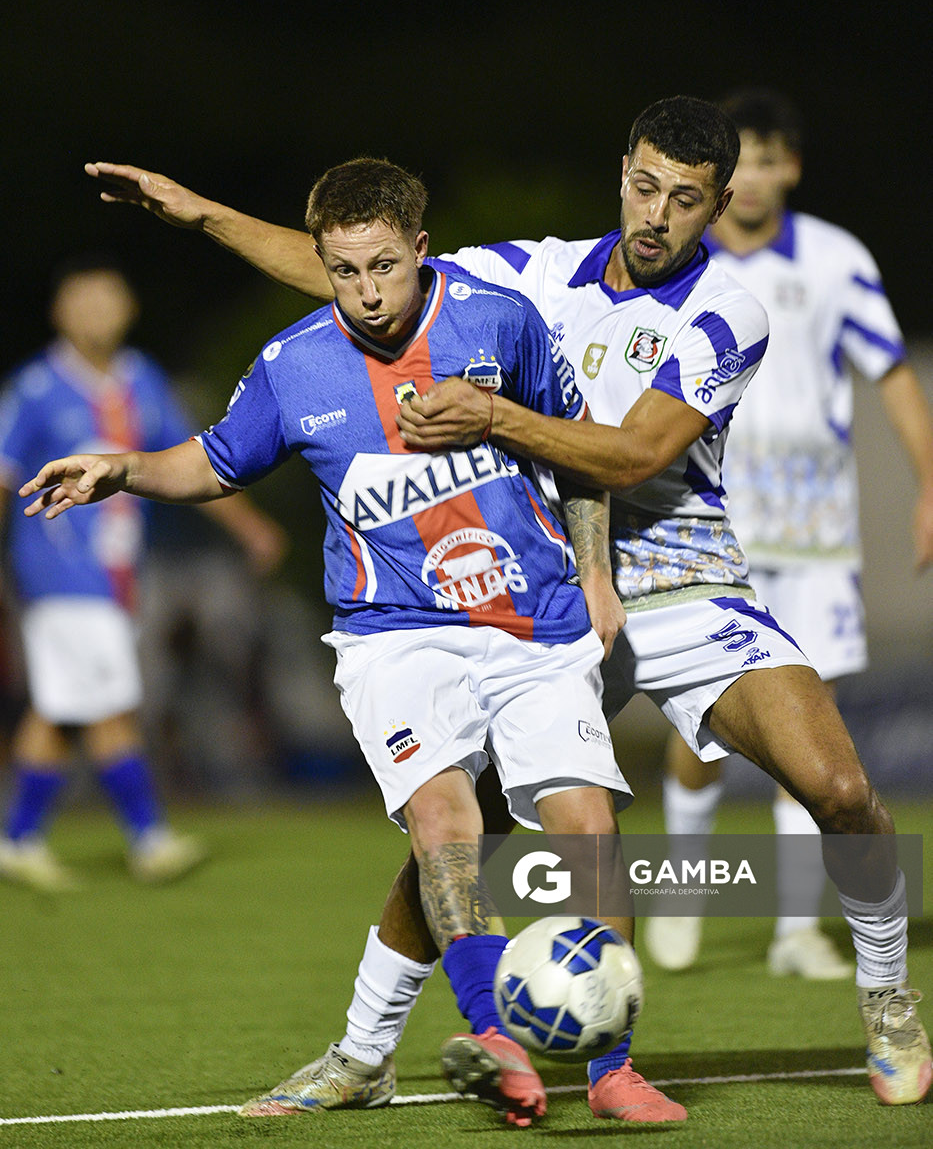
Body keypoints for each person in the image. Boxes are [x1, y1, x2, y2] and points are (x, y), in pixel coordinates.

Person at [81, 99, 932, 1111]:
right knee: (459, 830)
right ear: (622, 172)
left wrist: (490, 411)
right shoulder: (534, 270)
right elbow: (362, 273)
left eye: (686, 199)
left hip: (681, 577)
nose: (657, 213)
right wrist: (199, 213)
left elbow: (632, 455)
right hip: (547, 584)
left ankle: (887, 996)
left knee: (838, 784)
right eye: (645, 185)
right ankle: (362, 1050)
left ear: (719, 204)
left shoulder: (729, 311)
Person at [21, 158, 673, 1130]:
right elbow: (212, 460)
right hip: (393, 632)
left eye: (381, 266)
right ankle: (493, 1036)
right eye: (341, 270)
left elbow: (575, 448)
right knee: (446, 823)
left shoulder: (498, 321)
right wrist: (124, 467)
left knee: (590, 833)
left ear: (419, 247)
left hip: (534, 618)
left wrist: (596, 570)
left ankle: (611, 1064)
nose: (366, 292)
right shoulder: (296, 363)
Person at [642, 90, 933, 980]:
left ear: (790, 169)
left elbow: (888, 372)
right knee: (704, 725)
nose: (759, 177)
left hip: (813, 535)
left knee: (810, 735)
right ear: (723, 181)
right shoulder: (675, 264)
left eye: (772, 160)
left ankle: (792, 928)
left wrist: (927, 486)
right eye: (745, 164)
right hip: (710, 530)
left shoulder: (837, 258)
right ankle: (686, 893)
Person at [0, 257, 286, 889]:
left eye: (108, 298)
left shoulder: (141, 380)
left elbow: (197, 461)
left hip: (121, 573)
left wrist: (251, 527)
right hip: (58, 569)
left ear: (128, 308)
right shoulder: (36, 387)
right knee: (110, 703)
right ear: (59, 312)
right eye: (83, 300)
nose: (97, 311)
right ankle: (148, 837)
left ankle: (18, 839)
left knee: (63, 708)